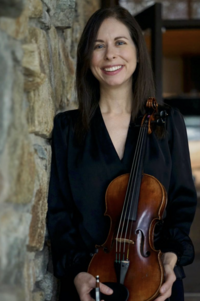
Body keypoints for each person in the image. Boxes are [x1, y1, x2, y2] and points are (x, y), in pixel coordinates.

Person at [47, 6, 197, 301]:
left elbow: (182, 200)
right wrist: (78, 273)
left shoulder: (167, 121)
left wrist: (169, 257)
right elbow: (59, 212)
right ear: (87, 57)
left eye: (120, 42)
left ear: (138, 53)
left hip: (154, 276)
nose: (110, 55)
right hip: (91, 281)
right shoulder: (67, 128)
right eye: (98, 46)